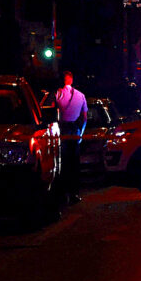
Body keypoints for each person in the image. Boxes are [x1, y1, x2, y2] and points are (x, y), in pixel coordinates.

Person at [55, 71, 87, 203]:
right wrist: (81, 134)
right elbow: (84, 118)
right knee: (74, 163)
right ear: (71, 80)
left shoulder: (58, 94)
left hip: (62, 130)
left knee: (62, 162)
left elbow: (52, 112)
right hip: (75, 130)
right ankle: (74, 193)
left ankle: (63, 194)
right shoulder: (81, 95)